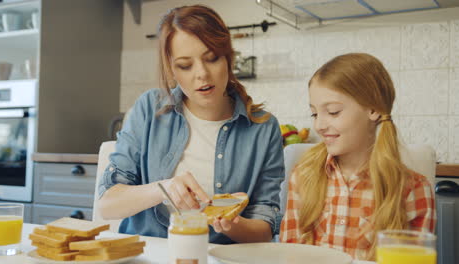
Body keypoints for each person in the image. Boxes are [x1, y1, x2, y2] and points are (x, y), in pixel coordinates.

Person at [97, 5, 284, 244]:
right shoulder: (148, 109)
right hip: (149, 254)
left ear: (228, 57)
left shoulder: (264, 128)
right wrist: (164, 189)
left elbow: (265, 228)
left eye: (212, 58)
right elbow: (108, 204)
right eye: (185, 65)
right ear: (172, 69)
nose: (202, 74)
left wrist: (230, 223)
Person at [279, 53, 436, 260]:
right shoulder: (304, 176)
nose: (319, 125)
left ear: (373, 109)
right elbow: (289, 256)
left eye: (333, 112)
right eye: (315, 114)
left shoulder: (413, 189)